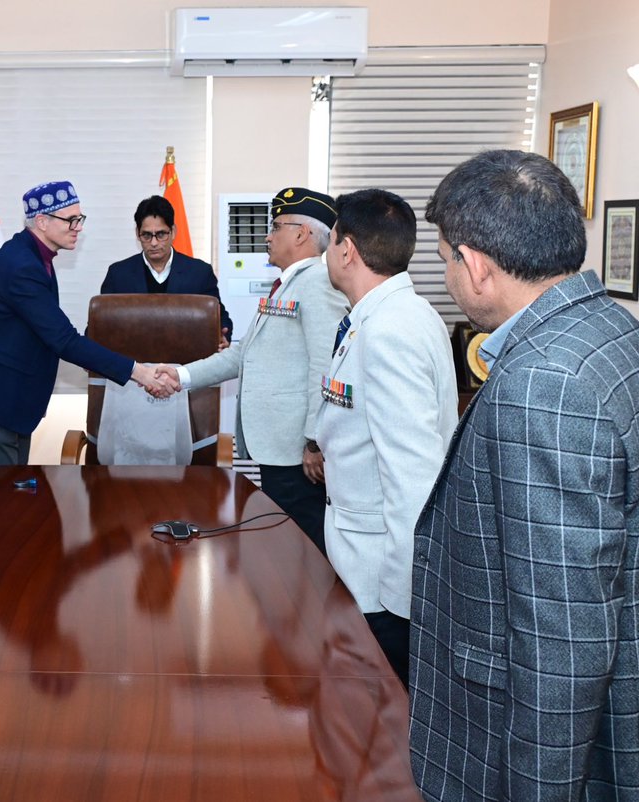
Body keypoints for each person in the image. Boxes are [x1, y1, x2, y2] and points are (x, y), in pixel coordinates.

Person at [411, 149, 639, 800]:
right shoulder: (607, 328)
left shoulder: (543, 382)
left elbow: (562, 642)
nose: (448, 275)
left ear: (475, 266)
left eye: (445, 260)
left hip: (521, 750)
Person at [314, 188, 457, 685]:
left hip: (382, 585)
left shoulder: (391, 329)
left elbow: (413, 476)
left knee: (374, 729)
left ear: (347, 249)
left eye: (329, 242)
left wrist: (404, 600)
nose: (326, 254)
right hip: (362, 560)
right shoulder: (385, 316)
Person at [154, 188, 348, 553]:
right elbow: (244, 354)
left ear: (302, 234)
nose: (267, 236)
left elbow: (326, 367)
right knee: (287, 547)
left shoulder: (319, 285)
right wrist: (180, 376)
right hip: (278, 448)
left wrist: (314, 440)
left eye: (275, 227)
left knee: (306, 550)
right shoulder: (286, 286)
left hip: (298, 455)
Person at [0, 181, 166, 467]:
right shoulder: (21, 264)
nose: (78, 227)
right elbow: (63, 340)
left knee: (9, 498)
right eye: (71, 220)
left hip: (11, 400)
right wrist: (138, 372)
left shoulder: (36, 257)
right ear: (42, 221)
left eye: (80, 218)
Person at [101, 195, 232, 349]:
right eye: (147, 235)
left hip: (185, 364)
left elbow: (219, 317)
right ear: (138, 233)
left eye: (161, 234)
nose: (154, 243)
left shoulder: (200, 272)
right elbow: (100, 322)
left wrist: (222, 334)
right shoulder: (118, 274)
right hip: (134, 364)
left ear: (173, 232)